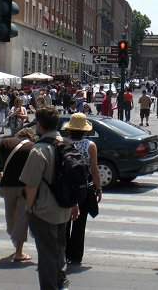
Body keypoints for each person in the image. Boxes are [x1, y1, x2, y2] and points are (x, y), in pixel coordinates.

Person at [20, 107, 78, 290]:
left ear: (38, 124)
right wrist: (74, 204)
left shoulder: (39, 150)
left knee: (46, 254)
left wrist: (29, 207)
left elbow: (31, 184)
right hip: (64, 207)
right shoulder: (68, 144)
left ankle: (50, 286)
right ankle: (61, 281)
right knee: (59, 249)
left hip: (44, 210)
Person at [0, 127, 37, 262]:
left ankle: (14, 238)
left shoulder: (6, 142)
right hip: (24, 186)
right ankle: (19, 251)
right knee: (22, 217)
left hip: (7, 185)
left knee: (10, 215)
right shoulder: (33, 147)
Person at [64, 112, 102, 265]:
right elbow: (94, 170)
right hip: (83, 188)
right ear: (85, 130)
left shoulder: (63, 144)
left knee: (65, 221)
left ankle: (63, 251)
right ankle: (75, 255)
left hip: (66, 187)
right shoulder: (90, 145)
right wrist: (98, 189)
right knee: (80, 223)